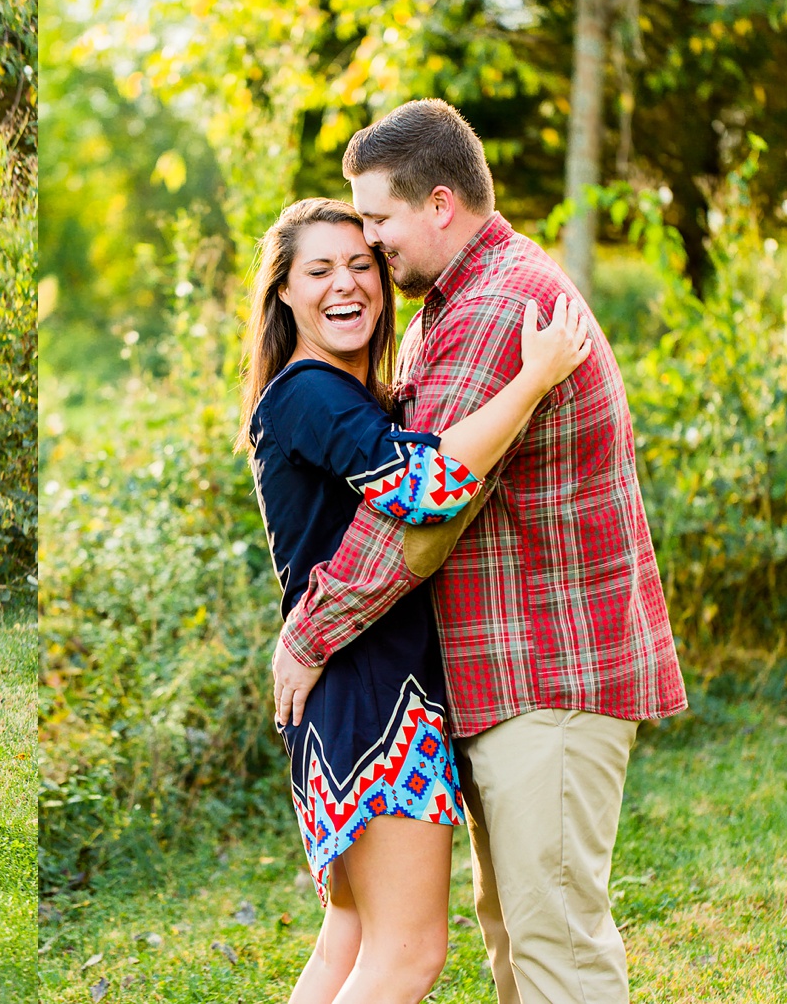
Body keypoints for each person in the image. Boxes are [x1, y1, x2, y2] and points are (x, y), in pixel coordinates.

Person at [274, 100, 687, 1004]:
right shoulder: (456, 305)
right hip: (513, 674)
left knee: (557, 949)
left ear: (439, 206)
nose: (372, 244)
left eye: (376, 221)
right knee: (520, 936)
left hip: (551, 670)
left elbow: (421, 517)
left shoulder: (501, 308)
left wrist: (309, 631)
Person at [241, 198, 591, 1003]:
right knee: (408, 956)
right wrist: (534, 378)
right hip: (371, 703)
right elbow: (429, 488)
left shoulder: (341, 395)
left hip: (342, 697)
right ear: (284, 294)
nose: (347, 284)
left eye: (361, 264)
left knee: (351, 942)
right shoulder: (310, 396)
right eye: (319, 270)